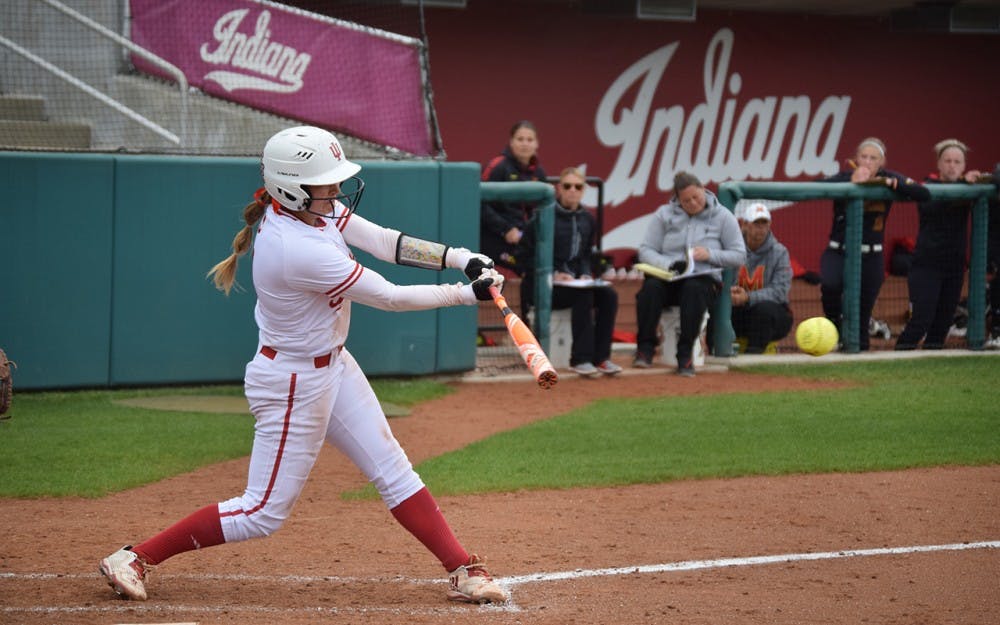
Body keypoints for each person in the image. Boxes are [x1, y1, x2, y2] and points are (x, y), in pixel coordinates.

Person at [98, 126, 509, 605]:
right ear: (291, 188)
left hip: (332, 364)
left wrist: (461, 258)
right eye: (325, 183)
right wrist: (466, 294)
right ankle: (135, 556)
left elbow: (385, 241)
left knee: (393, 468)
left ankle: (461, 568)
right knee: (262, 513)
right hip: (293, 381)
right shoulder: (297, 248)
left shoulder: (315, 211)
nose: (336, 191)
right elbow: (390, 297)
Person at [819, 137, 930, 351]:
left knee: (862, 311)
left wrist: (892, 185)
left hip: (871, 254)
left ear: (882, 162)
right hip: (838, 250)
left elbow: (923, 193)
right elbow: (815, 188)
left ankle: (859, 355)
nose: (868, 162)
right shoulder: (844, 176)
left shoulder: (888, 178)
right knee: (830, 286)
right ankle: (836, 329)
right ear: (855, 159)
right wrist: (850, 181)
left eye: (873, 158)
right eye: (864, 157)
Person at [633, 171, 746, 376]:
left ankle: (685, 355)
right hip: (670, 276)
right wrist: (668, 264)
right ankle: (644, 349)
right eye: (686, 201)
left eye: (696, 197)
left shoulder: (723, 217)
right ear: (677, 199)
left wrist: (710, 254)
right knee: (650, 289)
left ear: (703, 189)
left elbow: (739, 255)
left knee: (694, 290)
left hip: (703, 280)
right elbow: (646, 250)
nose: (693, 203)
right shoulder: (664, 214)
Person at [520, 167, 621, 377]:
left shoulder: (588, 219)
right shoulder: (542, 217)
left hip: (573, 284)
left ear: (583, 190)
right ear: (559, 189)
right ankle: (580, 359)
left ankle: (602, 358)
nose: (572, 191)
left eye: (578, 187)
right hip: (543, 287)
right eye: (567, 186)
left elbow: (585, 255)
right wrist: (553, 273)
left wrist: (584, 273)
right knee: (583, 296)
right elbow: (523, 256)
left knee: (609, 295)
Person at [896, 139, 981, 350]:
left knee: (942, 323)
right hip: (927, 265)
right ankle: (897, 357)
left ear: (963, 165)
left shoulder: (969, 187)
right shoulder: (927, 186)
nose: (952, 165)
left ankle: (928, 366)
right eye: (948, 161)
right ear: (939, 164)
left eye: (957, 162)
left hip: (954, 266)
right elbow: (932, 206)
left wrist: (972, 182)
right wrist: (963, 184)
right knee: (921, 320)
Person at [480, 120, 547, 275]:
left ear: (537, 144)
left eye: (529, 140)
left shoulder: (539, 172)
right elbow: (478, 203)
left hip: (524, 239)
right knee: (528, 267)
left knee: (546, 263)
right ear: (511, 142)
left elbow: (541, 210)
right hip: (494, 239)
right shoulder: (498, 166)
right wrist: (506, 229)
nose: (525, 144)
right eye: (520, 139)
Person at [728, 203, 793, 353]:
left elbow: (780, 291)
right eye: (756, 223)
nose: (761, 229)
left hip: (771, 315)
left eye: (765, 224)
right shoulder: (732, 248)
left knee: (764, 310)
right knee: (719, 307)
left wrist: (748, 297)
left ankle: (754, 354)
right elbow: (722, 279)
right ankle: (717, 350)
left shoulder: (780, 252)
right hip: (737, 309)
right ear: (745, 225)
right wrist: (729, 293)